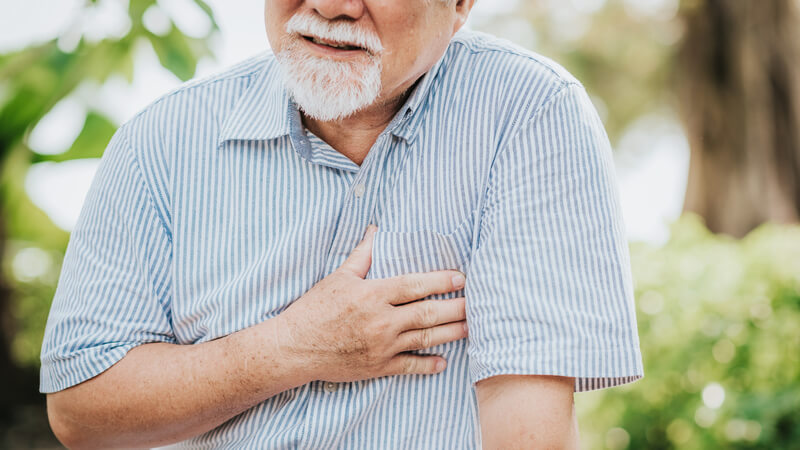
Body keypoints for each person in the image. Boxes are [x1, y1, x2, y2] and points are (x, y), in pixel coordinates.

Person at [40, 0, 644, 448]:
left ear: (461, 5)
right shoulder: (161, 142)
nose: (332, 6)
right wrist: (292, 348)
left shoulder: (531, 112)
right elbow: (80, 411)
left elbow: (528, 425)